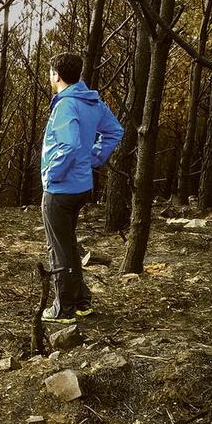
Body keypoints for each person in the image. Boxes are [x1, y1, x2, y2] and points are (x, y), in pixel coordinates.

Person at [40, 53, 124, 324]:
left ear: (57, 76)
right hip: (81, 186)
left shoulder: (66, 106)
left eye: (51, 73)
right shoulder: (93, 101)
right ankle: (81, 302)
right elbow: (115, 131)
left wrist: (52, 174)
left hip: (61, 189)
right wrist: (95, 158)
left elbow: (69, 145)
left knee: (59, 249)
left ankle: (63, 309)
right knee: (68, 245)